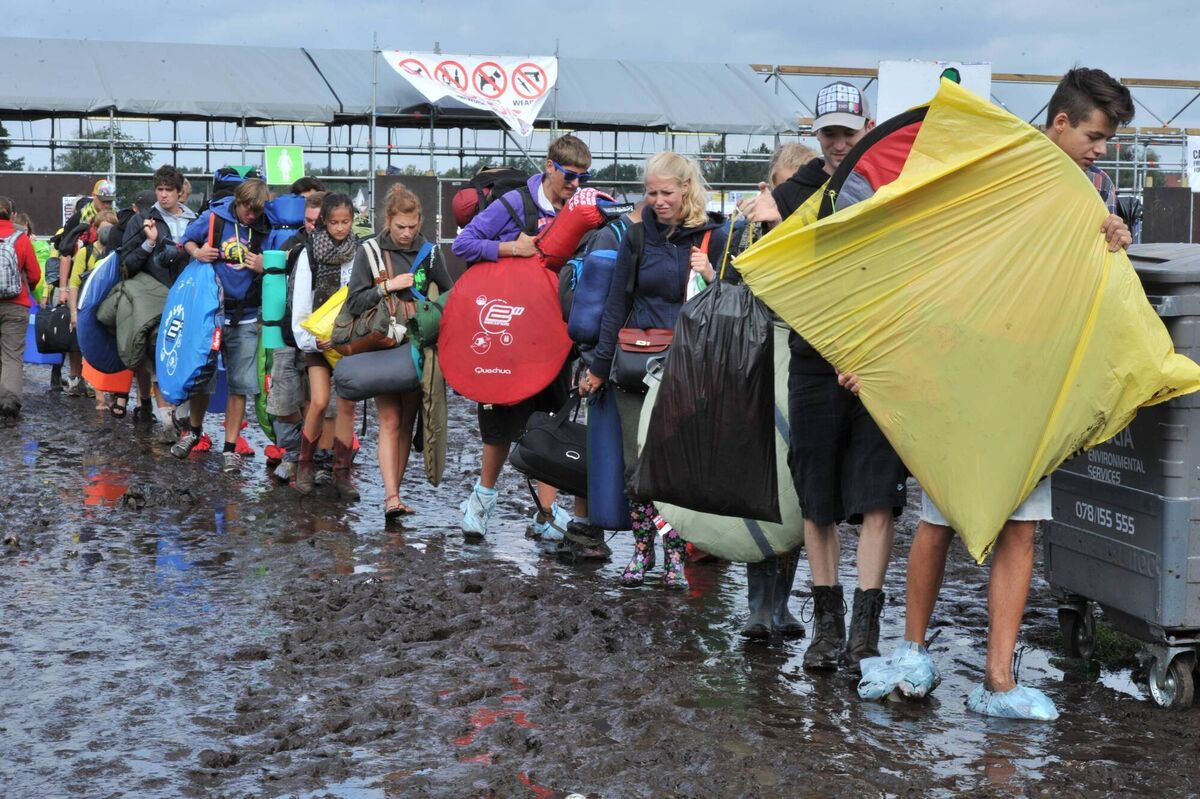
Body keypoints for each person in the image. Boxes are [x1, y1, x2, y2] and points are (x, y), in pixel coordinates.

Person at [856, 68, 1135, 720]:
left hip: (1033, 379)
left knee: (1021, 527)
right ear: (1059, 121)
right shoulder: (995, 166)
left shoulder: (1094, 190)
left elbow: (1099, 277)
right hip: (966, 368)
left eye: (1108, 141)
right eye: (1094, 135)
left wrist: (1117, 239)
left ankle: (998, 678)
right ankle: (912, 650)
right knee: (939, 518)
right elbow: (931, 251)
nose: (1100, 149)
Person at [751, 82, 907, 673]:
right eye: (829, 132)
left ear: (867, 127)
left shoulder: (895, 181)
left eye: (848, 130)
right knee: (816, 495)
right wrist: (769, 213)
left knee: (877, 494)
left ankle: (864, 630)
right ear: (815, 135)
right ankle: (827, 626)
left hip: (878, 359)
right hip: (817, 359)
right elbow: (766, 242)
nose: (839, 142)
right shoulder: (797, 187)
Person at [579, 150, 729, 589]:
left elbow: (736, 305)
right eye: (651, 193)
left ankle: (677, 555)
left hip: (688, 368)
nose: (658, 201)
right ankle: (644, 554)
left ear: (686, 188)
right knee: (635, 468)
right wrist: (599, 367)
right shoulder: (637, 236)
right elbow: (616, 305)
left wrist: (714, 278)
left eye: (666, 192)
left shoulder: (712, 238)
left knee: (679, 469)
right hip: (634, 365)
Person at [452, 135, 594, 546]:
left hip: (551, 334)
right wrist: (510, 247)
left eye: (583, 179)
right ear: (550, 167)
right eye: (570, 177)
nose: (575, 186)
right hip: (504, 332)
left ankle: (546, 514)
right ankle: (480, 503)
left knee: (549, 423)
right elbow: (464, 244)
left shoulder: (577, 207)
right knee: (498, 427)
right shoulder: (513, 205)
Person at [738, 143, 818, 640]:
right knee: (756, 485)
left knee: (795, 493)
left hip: (803, 373)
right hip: (757, 370)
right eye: (783, 185)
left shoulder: (815, 238)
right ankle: (756, 607)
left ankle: (781, 605)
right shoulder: (748, 233)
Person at [342, 183, 452, 518]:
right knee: (389, 420)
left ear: (420, 221)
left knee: (406, 421)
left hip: (418, 346)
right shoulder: (370, 251)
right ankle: (391, 497)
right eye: (400, 226)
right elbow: (355, 301)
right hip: (382, 345)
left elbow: (450, 295)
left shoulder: (430, 253)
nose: (406, 234)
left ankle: (396, 494)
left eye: (413, 226)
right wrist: (388, 286)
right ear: (388, 220)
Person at [173, 178, 271, 474]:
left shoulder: (265, 226)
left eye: (257, 211)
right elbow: (187, 240)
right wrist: (197, 252)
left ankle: (230, 448)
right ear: (237, 203)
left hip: (247, 315)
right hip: (212, 313)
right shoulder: (214, 218)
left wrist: (264, 264)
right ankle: (193, 431)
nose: (251, 216)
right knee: (203, 378)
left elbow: (279, 260)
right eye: (247, 210)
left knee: (240, 384)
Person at [290, 192, 361, 499]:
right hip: (316, 339)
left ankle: (341, 473)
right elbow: (301, 303)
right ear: (324, 222)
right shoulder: (309, 253)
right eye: (334, 222)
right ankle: (304, 465)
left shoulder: (360, 252)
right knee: (319, 401)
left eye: (346, 222)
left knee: (346, 406)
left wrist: (348, 336)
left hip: (346, 341)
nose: (340, 228)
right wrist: (311, 340)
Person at [121, 165, 197, 435]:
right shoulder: (142, 220)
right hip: (155, 299)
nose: (163, 195)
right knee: (158, 355)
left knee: (188, 357)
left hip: (189, 301)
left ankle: (184, 420)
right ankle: (166, 419)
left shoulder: (195, 221)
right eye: (159, 189)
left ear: (180, 192)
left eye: (169, 190)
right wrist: (149, 244)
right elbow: (126, 265)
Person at [267, 188, 324, 483]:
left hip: (324, 341)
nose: (312, 225)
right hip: (289, 334)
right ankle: (293, 454)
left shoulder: (338, 249)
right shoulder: (292, 244)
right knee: (284, 402)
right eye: (308, 220)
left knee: (320, 402)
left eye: (317, 220)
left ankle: (317, 460)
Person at [66, 209, 120, 403]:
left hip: (112, 309)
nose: (107, 234)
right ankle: (99, 397)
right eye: (104, 229)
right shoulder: (85, 253)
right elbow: (74, 284)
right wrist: (74, 313)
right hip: (90, 309)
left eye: (111, 229)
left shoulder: (118, 252)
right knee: (93, 350)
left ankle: (114, 394)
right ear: (96, 230)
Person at [0, 196, 42, 417]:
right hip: (16, 304)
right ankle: (9, 401)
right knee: (12, 354)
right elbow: (35, 274)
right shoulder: (21, 238)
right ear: (12, 214)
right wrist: (27, 287)